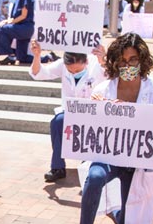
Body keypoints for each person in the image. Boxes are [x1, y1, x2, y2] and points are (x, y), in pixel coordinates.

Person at [75, 33, 153, 224]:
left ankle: (117, 211)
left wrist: (132, 116)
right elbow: (91, 130)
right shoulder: (103, 89)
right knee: (95, 177)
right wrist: (100, 110)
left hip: (137, 160)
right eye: (123, 61)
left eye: (133, 60)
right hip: (109, 155)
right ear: (115, 62)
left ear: (143, 60)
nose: (128, 65)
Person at [30, 41, 106, 183]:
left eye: (78, 71)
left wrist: (103, 61)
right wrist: (37, 55)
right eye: (70, 71)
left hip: (94, 112)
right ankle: (57, 167)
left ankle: (87, 165)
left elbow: (111, 77)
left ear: (86, 61)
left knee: (91, 129)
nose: (74, 73)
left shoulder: (97, 63)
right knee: (57, 122)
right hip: (70, 111)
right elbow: (38, 73)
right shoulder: (61, 65)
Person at [0, 0, 35, 66]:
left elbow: (23, 15)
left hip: (24, 28)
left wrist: (10, 22)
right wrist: (6, 21)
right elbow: (15, 16)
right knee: (22, 58)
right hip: (21, 27)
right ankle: (48, 57)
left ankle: (11, 55)